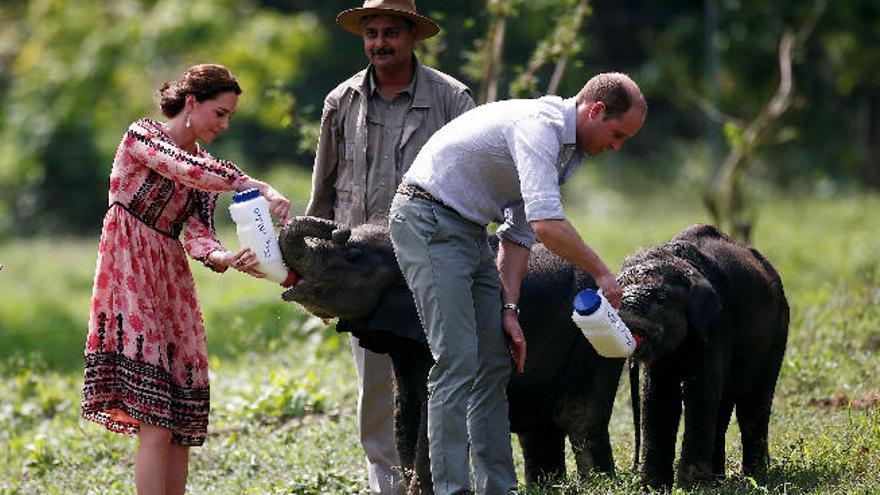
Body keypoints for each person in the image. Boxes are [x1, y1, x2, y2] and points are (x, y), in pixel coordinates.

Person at [388, 72, 647, 494]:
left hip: (468, 230)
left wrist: (509, 309)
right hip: (427, 218)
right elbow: (547, 225)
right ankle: (451, 489)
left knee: (493, 362)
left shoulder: (569, 152)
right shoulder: (539, 127)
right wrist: (602, 272)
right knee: (455, 361)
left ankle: (499, 488)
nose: (615, 147)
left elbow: (521, 231)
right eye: (617, 135)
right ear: (595, 110)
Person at [80, 64, 291, 495]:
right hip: (129, 268)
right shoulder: (142, 136)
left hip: (169, 278)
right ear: (191, 103)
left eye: (229, 115)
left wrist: (225, 256)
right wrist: (257, 185)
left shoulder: (206, 167)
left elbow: (197, 235)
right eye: (220, 112)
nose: (224, 124)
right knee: (155, 421)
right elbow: (182, 169)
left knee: (178, 422)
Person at [305, 1, 475, 493]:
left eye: (391, 33)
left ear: (413, 37)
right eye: (371, 33)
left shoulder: (451, 98)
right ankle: (391, 484)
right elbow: (324, 190)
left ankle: (442, 478)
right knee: (377, 384)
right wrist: (317, 269)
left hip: (435, 258)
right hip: (364, 270)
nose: (380, 42)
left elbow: (476, 179)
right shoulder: (342, 100)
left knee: (444, 372)